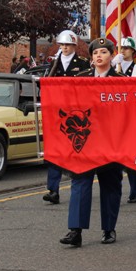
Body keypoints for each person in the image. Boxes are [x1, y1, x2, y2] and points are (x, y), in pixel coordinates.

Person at [60, 37, 124, 247]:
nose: (99, 56)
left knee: (110, 186)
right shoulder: (81, 78)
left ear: (112, 56)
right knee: (80, 183)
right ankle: (75, 230)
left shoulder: (121, 80)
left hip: (111, 142)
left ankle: (108, 229)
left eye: (104, 52)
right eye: (96, 53)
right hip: (86, 141)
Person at [43, 30, 91, 205]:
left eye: (68, 45)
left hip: (77, 114)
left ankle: (76, 187)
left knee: (76, 151)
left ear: (74, 46)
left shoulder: (83, 64)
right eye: (62, 45)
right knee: (55, 152)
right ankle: (53, 190)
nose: (64, 48)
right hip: (58, 112)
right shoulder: (54, 64)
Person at [114, 37, 136, 203]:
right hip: (115, 117)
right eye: (121, 48)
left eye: (127, 48)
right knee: (116, 158)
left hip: (133, 116)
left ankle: (135, 191)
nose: (123, 51)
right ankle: (116, 189)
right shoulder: (114, 67)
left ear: (133, 52)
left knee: (133, 157)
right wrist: (113, 65)